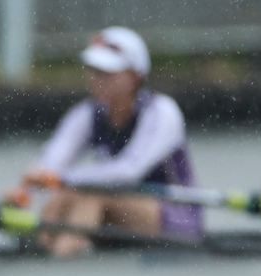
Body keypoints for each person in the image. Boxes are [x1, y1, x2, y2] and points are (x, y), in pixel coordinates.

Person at [14, 26, 198, 257]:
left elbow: (128, 171)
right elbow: (52, 161)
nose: (96, 80)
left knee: (92, 195)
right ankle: (45, 252)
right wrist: (24, 190)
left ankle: (62, 257)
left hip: (176, 216)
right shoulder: (86, 114)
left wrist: (62, 178)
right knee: (64, 197)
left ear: (134, 76)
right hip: (117, 214)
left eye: (106, 72)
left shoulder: (161, 111)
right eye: (93, 71)